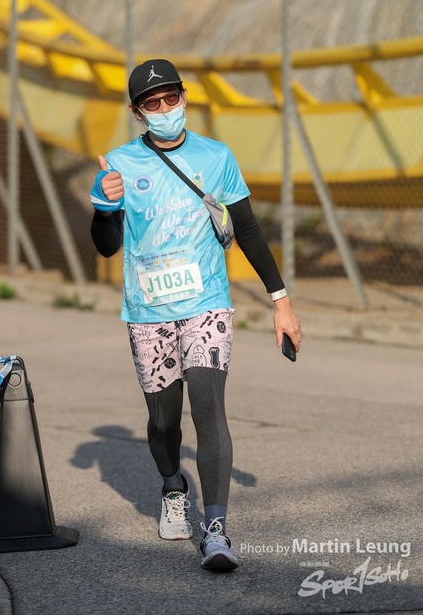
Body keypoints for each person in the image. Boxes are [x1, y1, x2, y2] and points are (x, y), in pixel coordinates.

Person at [90, 59, 302, 571]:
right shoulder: (120, 163)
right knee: (163, 421)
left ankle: (216, 531)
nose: (165, 108)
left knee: (208, 407)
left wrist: (281, 301)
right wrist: (102, 206)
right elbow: (106, 247)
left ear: (184, 97)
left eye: (171, 97)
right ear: (138, 112)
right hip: (148, 311)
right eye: (152, 103)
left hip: (206, 304)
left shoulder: (216, 156)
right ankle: (172, 486)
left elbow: (247, 230)